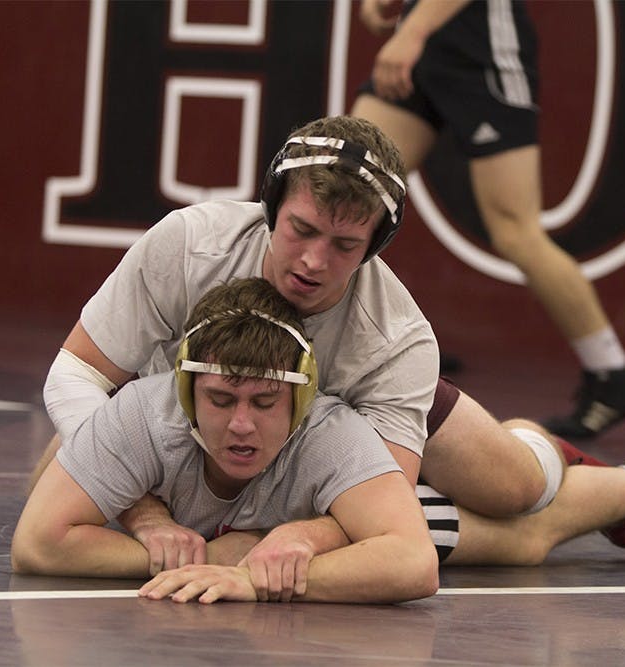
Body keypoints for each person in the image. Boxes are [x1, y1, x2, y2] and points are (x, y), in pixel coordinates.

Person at [35, 114, 594, 568]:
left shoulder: (394, 340)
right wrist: (146, 514)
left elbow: (381, 499)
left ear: (375, 246)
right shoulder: (189, 245)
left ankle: (555, 453)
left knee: (517, 488)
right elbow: (76, 375)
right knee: (51, 483)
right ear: (271, 207)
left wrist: (289, 536)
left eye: (344, 245)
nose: (313, 261)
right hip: (198, 420)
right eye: (301, 229)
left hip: (348, 421)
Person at [12, 278, 440, 604]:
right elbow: (36, 544)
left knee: (466, 513)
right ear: (186, 392)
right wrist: (210, 559)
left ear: (301, 397)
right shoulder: (144, 413)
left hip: (401, 443)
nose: (241, 425)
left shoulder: (330, 434)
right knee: (58, 461)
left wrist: (253, 579)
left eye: (265, 402)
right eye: (220, 400)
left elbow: (415, 562)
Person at [353, 0, 625, 439]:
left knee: (515, 230)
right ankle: (374, 343)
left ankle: (612, 375)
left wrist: (412, 31)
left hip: (483, 51)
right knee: (353, 188)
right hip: (426, 47)